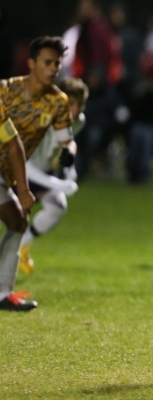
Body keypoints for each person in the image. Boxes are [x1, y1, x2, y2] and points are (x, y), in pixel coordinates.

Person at [0, 36, 73, 311]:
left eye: (57, 63)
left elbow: (14, 143)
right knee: (18, 219)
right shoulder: (7, 90)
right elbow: (14, 143)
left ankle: (2, 293)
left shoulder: (57, 101)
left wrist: (71, 153)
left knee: (18, 221)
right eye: (48, 62)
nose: (54, 68)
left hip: (6, 173)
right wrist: (23, 189)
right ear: (31, 64)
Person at [19, 77, 88, 275]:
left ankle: (23, 245)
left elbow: (65, 147)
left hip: (42, 171)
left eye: (80, 105)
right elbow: (24, 164)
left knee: (57, 208)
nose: (75, 110)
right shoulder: (40, 119)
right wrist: (57, 184)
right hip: (14, 172)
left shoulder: (78, 121)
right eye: (71, 104)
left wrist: (68, 170)